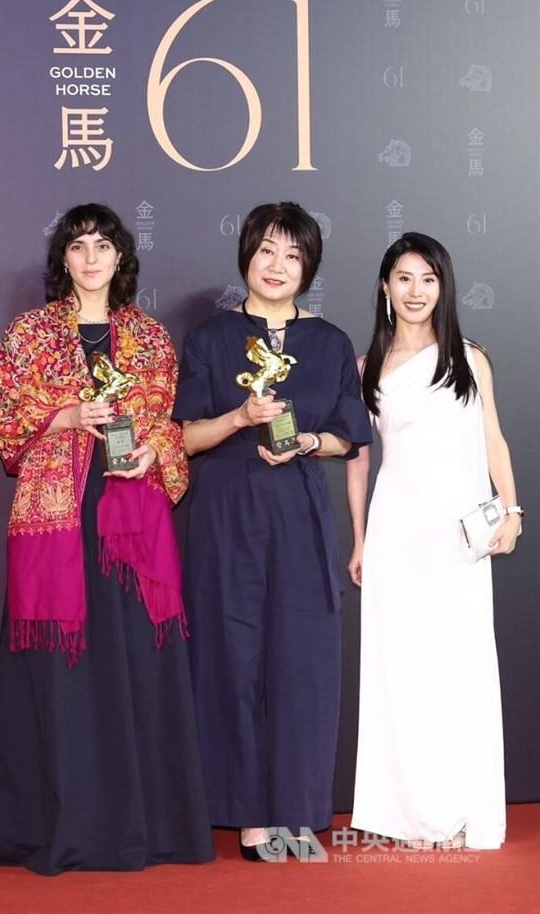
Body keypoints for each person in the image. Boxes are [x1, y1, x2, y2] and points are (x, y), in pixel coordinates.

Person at [0, 203, 213, 876]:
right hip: (57, 521)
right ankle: (59, 828)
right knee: (63, 676)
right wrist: (66, 415)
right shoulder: (29, 335)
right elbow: (7, 426)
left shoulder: (148, 337)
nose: (90, 257)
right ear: (63, 259)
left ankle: (145, 827)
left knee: (132, 669)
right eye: (78, 245)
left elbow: (170, 425)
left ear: (121, 258)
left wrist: (153, 456)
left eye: (103, 245)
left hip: (130, 527)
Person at [173, 202, 372, 860]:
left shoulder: (332, 342)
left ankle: (296, 809)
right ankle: (248, 814)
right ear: (246, 258)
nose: (277, 265)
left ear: (308, 265)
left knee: (301, 661)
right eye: (266, 251)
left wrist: (306, 439)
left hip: (298, 511)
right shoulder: (209, 338)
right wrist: (238, 417)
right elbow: (186, 438)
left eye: (291, 254)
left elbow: (348, 436)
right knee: (229, 660)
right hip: (225, 513)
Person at [348, 233, 520, 850]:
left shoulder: (469, 358)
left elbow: (493, 439)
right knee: (400, 669)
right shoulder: (367, 369)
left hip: (457, 536)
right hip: (396, 531)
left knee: (457, 663)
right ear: (384, 287)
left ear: (443, 287)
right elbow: (359, 462)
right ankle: (406, 813)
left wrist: (514, 509)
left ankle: (457, 808)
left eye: (428, 279)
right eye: (404, 278)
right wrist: (361, 541)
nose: (416, 291)